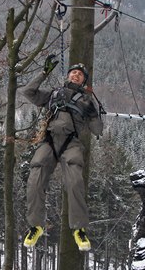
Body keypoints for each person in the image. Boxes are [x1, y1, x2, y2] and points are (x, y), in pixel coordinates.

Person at [20, 55, 104, 252]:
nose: (76, 75)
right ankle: (36, 226)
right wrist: (44, 72)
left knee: (75, 181)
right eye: (73, 72)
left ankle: (79, 229)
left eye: (80, 75)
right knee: (35, 178)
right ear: (68, 75)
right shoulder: (53, 94)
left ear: (84, 80)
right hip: (49, 140)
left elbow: (98, 130)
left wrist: (94, 112)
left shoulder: (86, 101)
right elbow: (28, 92)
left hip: (71, 142)